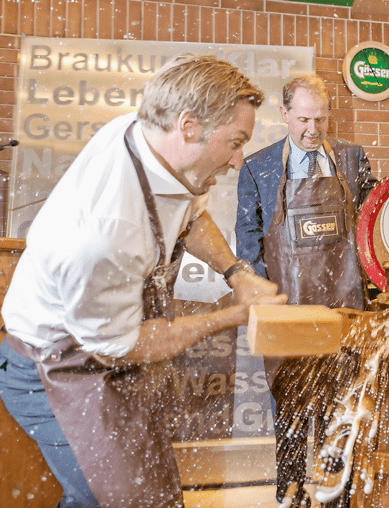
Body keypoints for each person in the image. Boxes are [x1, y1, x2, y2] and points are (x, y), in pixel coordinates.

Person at [0, 54, 287, 508]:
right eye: (235, 142)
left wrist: (236, 273)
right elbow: (125, 343)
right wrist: (232, 315)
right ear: (189, 126)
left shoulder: (146, 139)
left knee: (152, 492)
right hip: (57, 365)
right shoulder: (104, 231)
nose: (237, 161)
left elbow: (189, 214)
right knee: (119, 500)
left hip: (108, 354)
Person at [235, 74, 377, 507]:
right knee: (293, 423)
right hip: (288, 314)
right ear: (284, 116)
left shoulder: (351, 160)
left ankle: (340, 501)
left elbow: (371, 227)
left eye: (320, 119)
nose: (312, 130)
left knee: (343, 419)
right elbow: (247, 241)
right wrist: (270, 297)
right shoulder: (257, 167)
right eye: (302, 120)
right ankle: (291, 499)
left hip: (345, 311)